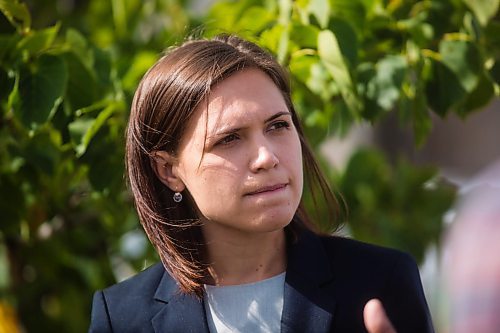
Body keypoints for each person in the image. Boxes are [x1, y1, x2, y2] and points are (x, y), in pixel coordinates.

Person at [89, 34, 433, 333]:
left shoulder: (379, 282)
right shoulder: (123, 316)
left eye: (278, 126)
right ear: (169, 171)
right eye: (229, 139)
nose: (266, 157)